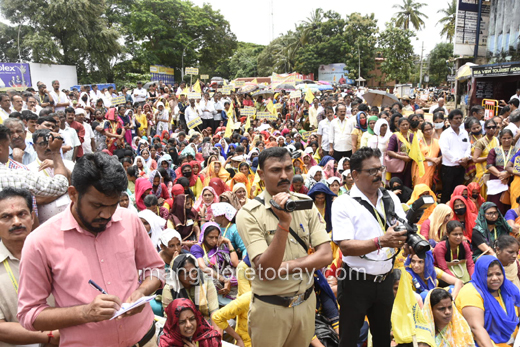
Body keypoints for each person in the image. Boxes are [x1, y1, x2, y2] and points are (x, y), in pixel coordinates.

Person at [17, 152, 165, 347]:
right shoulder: (39, 242)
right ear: (73, 194)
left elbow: (155, 268)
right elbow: (29, 315)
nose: (106, 214)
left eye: (113, 205)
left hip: (144, 339)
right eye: (97, 205)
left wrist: (141, 292)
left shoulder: (129, 220)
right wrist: (85, 313)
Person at [236, 147, 332, 347]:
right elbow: (266, 270)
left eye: (289, 168)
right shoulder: (249, 213)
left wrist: (284, 268)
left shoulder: (305, 204)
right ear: (261, 174)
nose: (284, 175)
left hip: (306, 304)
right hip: (271, 309)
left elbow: (325, 255)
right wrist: (283, 224)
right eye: (275, 170)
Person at [332, 147, 407, 347]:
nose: (378, 174)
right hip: (355, 282)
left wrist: (405, 239)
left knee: (383, 337)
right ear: (354, 174)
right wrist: (381, 241)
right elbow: (346, 247)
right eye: (371, 171)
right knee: (349, 337)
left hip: (385, 280)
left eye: (379, 169)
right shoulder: (343, 203)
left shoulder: (391, 197)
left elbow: (403, 228)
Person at [0, 188, 60, 347]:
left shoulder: (58, 253)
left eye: (22, 214)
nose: (16, 222)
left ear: (32, 217)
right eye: (6, 217)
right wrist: (49, 336)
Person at [456, 255, 520, 347]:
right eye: (489, 275)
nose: (495, 278)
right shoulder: (470, 292)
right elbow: (476, 328)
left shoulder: (508, 288)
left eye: (498, 274)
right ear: (480, 274)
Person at [190, 222, 239, 306]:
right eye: (211, 237)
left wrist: (229, 243)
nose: (214, 240)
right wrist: (223, 279)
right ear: (204, 236)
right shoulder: (197, 248)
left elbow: (235, 263)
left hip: (224, 276)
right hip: (209, 281)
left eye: (216, 237)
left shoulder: (220, 246)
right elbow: (202, 267)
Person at [439, 110, 471, 203]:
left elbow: (468, 146)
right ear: (449, 120)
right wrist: (458, 160)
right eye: (456, 118)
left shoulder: (464, 132)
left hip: (461, 167)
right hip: (449, 167)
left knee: (458, 191)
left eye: (460, 118)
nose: (458, 120)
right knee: (447, 191)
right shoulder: (445, 134)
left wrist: (466, 157)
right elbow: (445, 151)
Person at [487, 129, 514, 214]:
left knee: (511, 202)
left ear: (512, 138)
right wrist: (500, 175)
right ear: (500, 138)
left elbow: (518, 166)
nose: (506, 140)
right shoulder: (494, 150)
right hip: (497, 180)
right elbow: (489, 165)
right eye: (504, 138)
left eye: (509, 138)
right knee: (496, 204)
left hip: (512, 179)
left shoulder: (517, 150)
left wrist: (507, 175)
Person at [387, 117, 414, 188]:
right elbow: (389, 151)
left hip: (409, 165)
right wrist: (402, 157)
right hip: (398, 165)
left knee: (408, 185)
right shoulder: (395, 136)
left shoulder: (412, 136)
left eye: (406, 124)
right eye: (403, 125)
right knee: (397, 185)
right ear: (398, 126)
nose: (405, 126)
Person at [414, 122, 441, 187]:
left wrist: (439, 159)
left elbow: (443, 154)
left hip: (433, 168)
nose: (429, 131)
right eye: (426, 130)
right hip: (421, 169)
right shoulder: (418, 142)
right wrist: (430, 159)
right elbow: (415, 156)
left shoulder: (438, 142)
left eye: (430, 129)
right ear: (422, 131)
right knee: (420, 188)